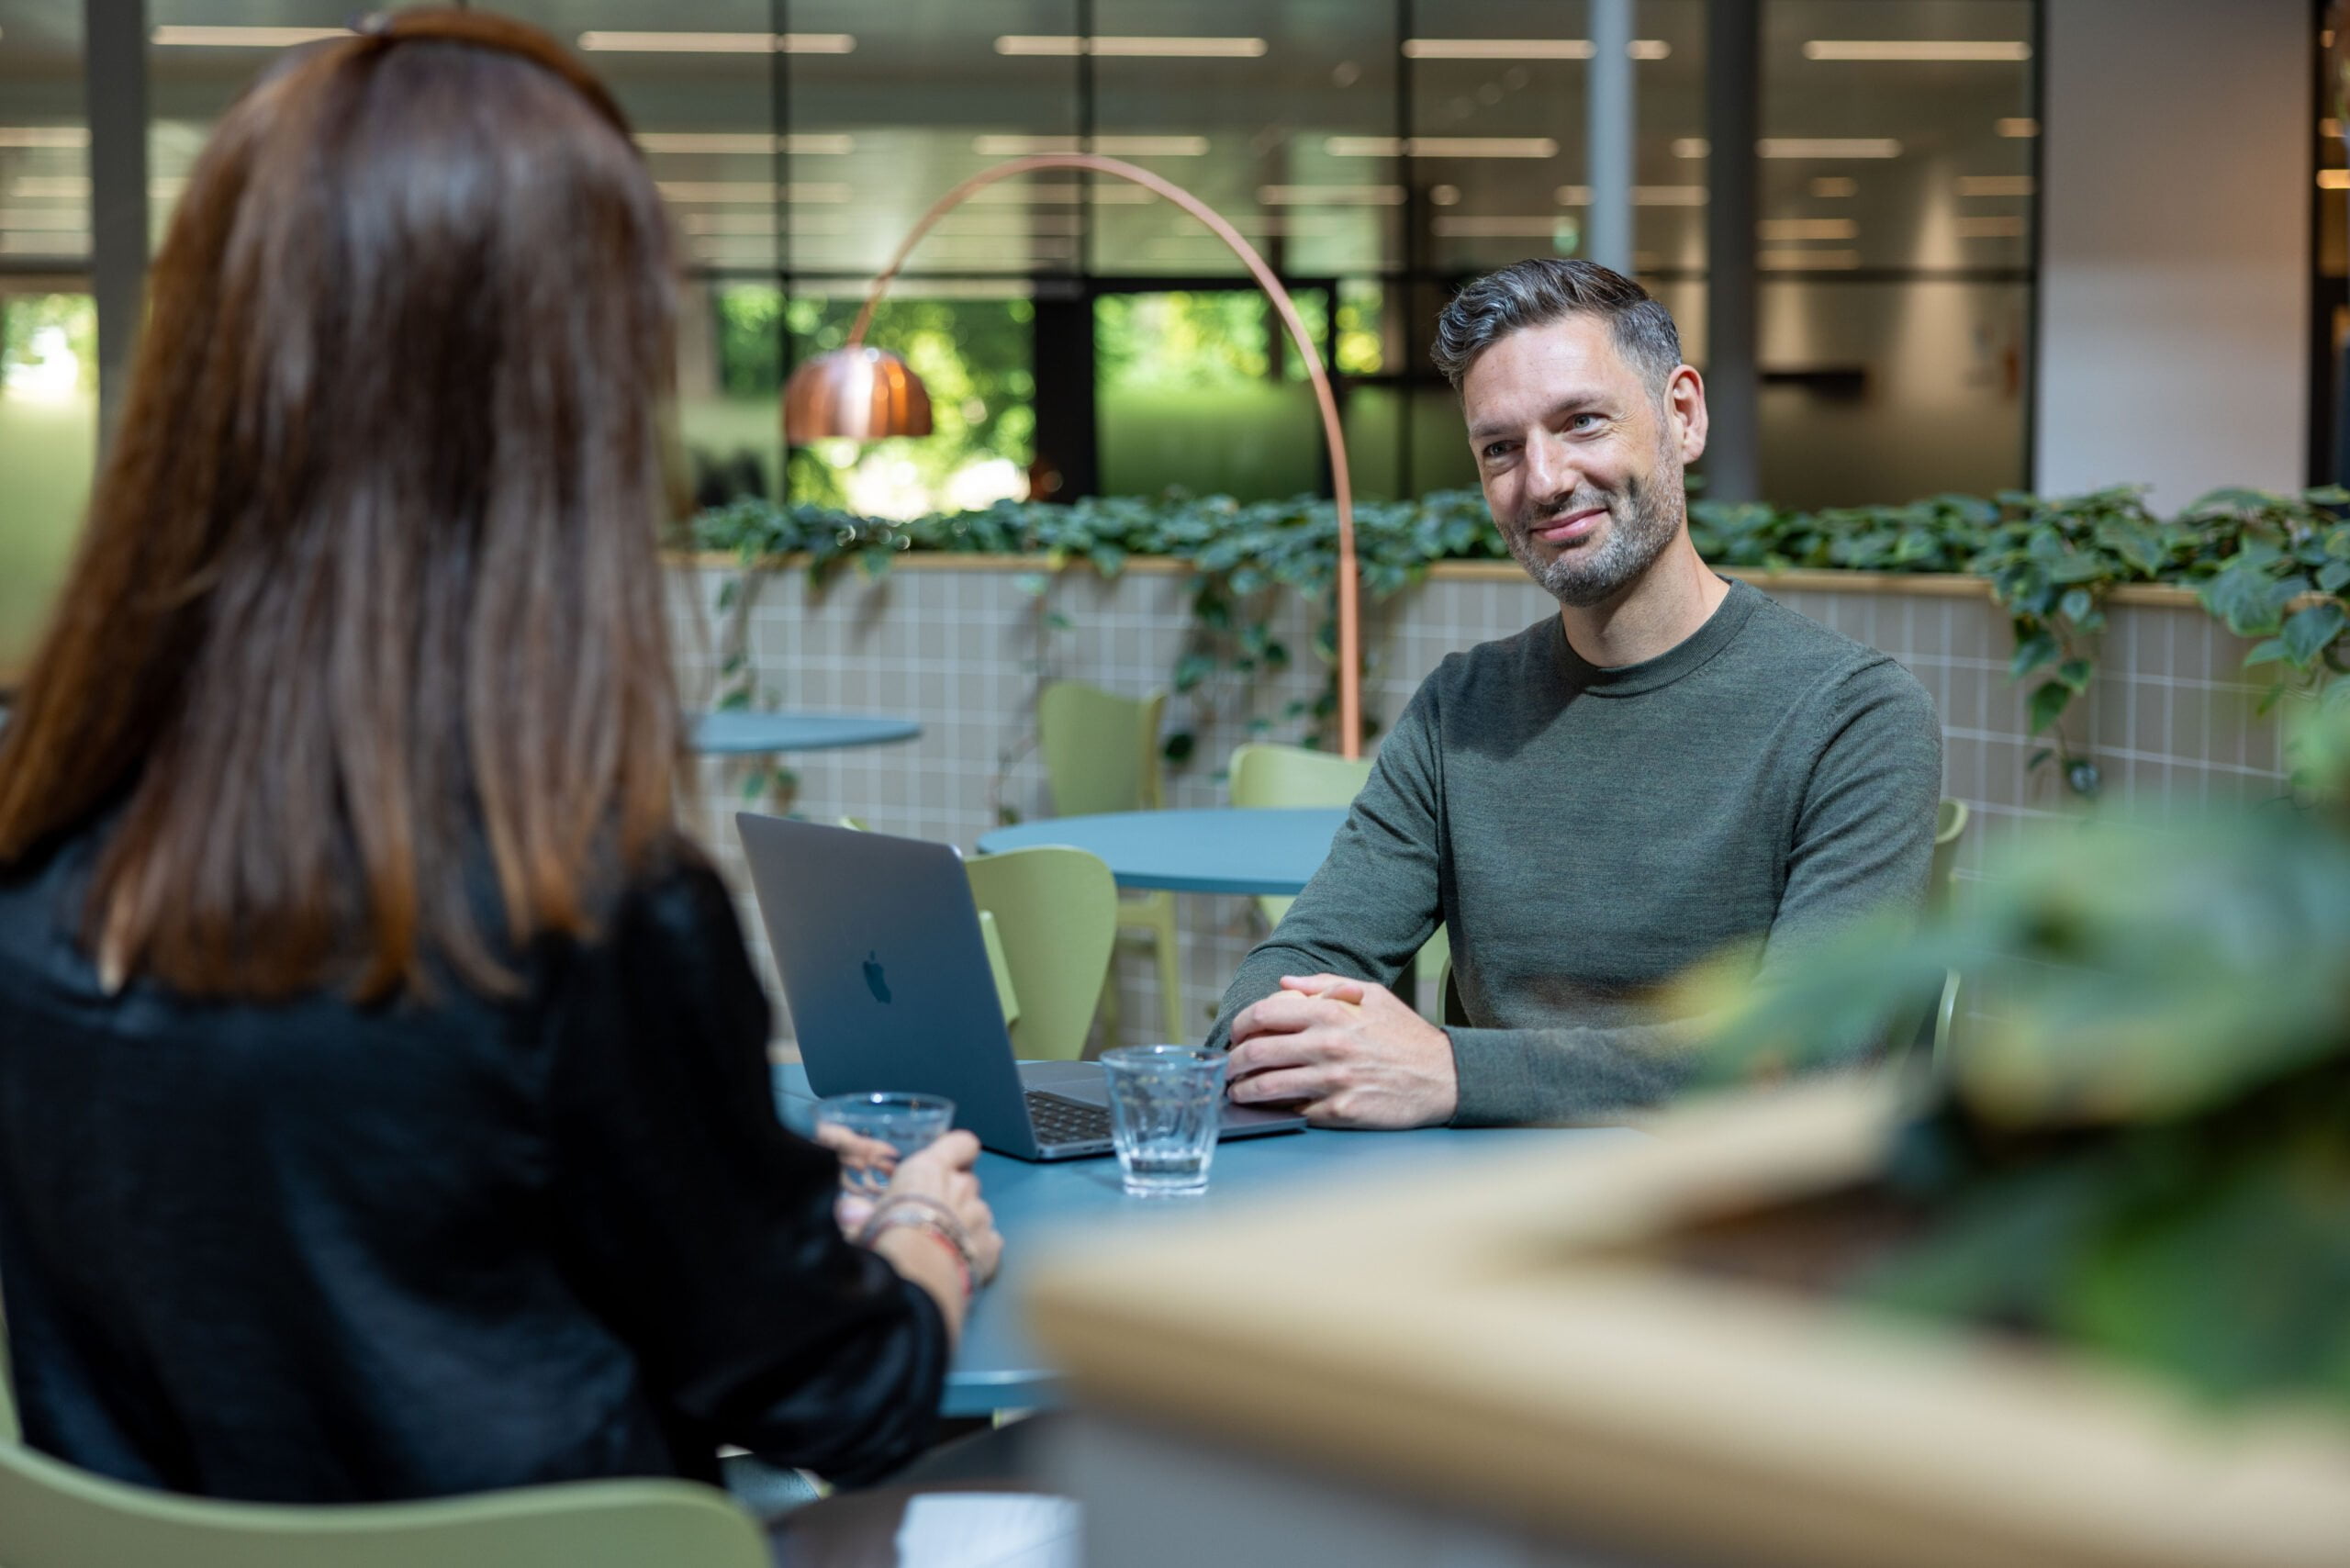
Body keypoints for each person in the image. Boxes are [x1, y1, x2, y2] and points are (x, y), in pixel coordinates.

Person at [0, 8, 1002, 1513]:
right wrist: (922, 1232)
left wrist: (738, 1166)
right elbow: (842, 1397)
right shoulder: (586, 919)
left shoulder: (42, 872)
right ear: (564, 413)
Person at [1210, 259, 1942, 1128]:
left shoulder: (1854, 715)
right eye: (1500, 449)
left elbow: (1804, 1054)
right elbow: (1307, 953)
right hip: (1476, 1215)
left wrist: (1452, 1071)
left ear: (1682, 414)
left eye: (1582, 422)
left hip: (1733, 1233)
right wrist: (1270, 1032)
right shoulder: (1462, 708)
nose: (1544, 480)